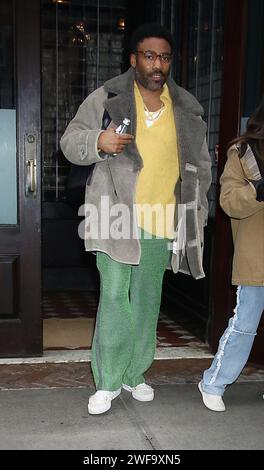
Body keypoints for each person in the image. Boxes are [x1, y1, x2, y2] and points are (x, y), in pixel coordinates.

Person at [61, 23, 212, 415]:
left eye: (164, 56)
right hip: (114, 215)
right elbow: (70, 140)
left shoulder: (187, 108)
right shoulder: (108, 97)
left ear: (170, 62)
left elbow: (201, 168)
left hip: (162, 220)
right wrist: (99, 141)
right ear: (134, 59)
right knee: (114, 297)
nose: (157, 63)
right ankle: (108, 381)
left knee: (147, 301)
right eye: (149, 55)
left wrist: (197, 214)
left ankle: (135, 373)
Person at [198, 96, 264, 412]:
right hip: (258, 255)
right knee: (245, 323)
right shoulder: (244, 152)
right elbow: (228, 202)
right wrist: (258, 190)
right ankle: (214, 382)